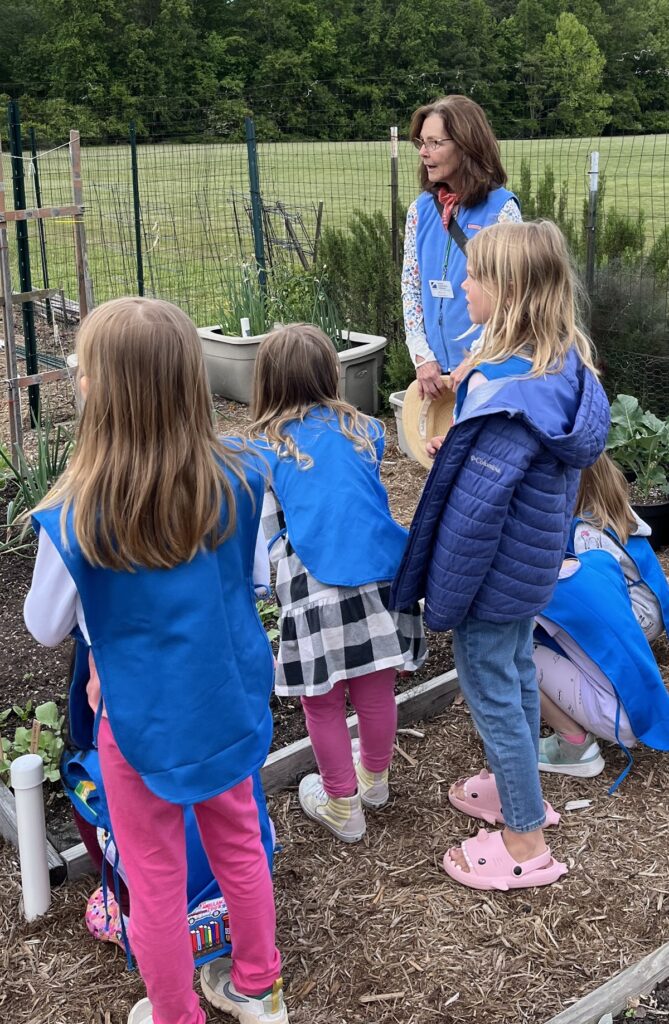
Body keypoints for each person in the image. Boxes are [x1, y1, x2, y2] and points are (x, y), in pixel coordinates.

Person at [23, 297, 288, 1024]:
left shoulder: (76, 510)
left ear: (99, 394)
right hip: (228, 704)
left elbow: (44, 627)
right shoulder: (240, 474)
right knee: (239, 845)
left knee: (155, 878)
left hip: (137, 728)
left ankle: (174, 1013)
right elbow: (255, 580)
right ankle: (259, 987)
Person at [391, 220, 610, 891]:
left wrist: (445, 596)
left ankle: (523, 840)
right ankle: (516, 789)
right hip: (528, 565)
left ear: (508, 290)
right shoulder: (559, 368)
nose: (461, 285)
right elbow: (499, 470)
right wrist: (463, 449)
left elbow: (474, 513)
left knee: (490, 687)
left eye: (474, 275)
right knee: (514, 671)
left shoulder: (501, 398)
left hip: (489, 578)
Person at [248, 324, 427, 843]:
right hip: (380, 576)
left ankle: (342, 803)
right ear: (331, 372)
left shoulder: (263, 449)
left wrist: (261, 590)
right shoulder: (365, 428)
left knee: (321, 701)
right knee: (377, 689)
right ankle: (375, 781)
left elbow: (265, 539)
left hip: (314, 584)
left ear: (267, 381)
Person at [535, 452, 669, 778]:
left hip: (633, 614)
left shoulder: (585, 535)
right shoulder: (614, 512)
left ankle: (574, 738)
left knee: (534, 641)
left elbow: (592, 595)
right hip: (652, 605)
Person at [402, 94, 521, 401]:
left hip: (487, 372)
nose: (424, 153)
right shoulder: (420, 210)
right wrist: (421, 356)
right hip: (434, 376)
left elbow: (514, 297)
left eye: (434, 143)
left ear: (467, 145)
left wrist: (477, 359)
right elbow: (411, 286)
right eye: (421, 143)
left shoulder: (502, 212)